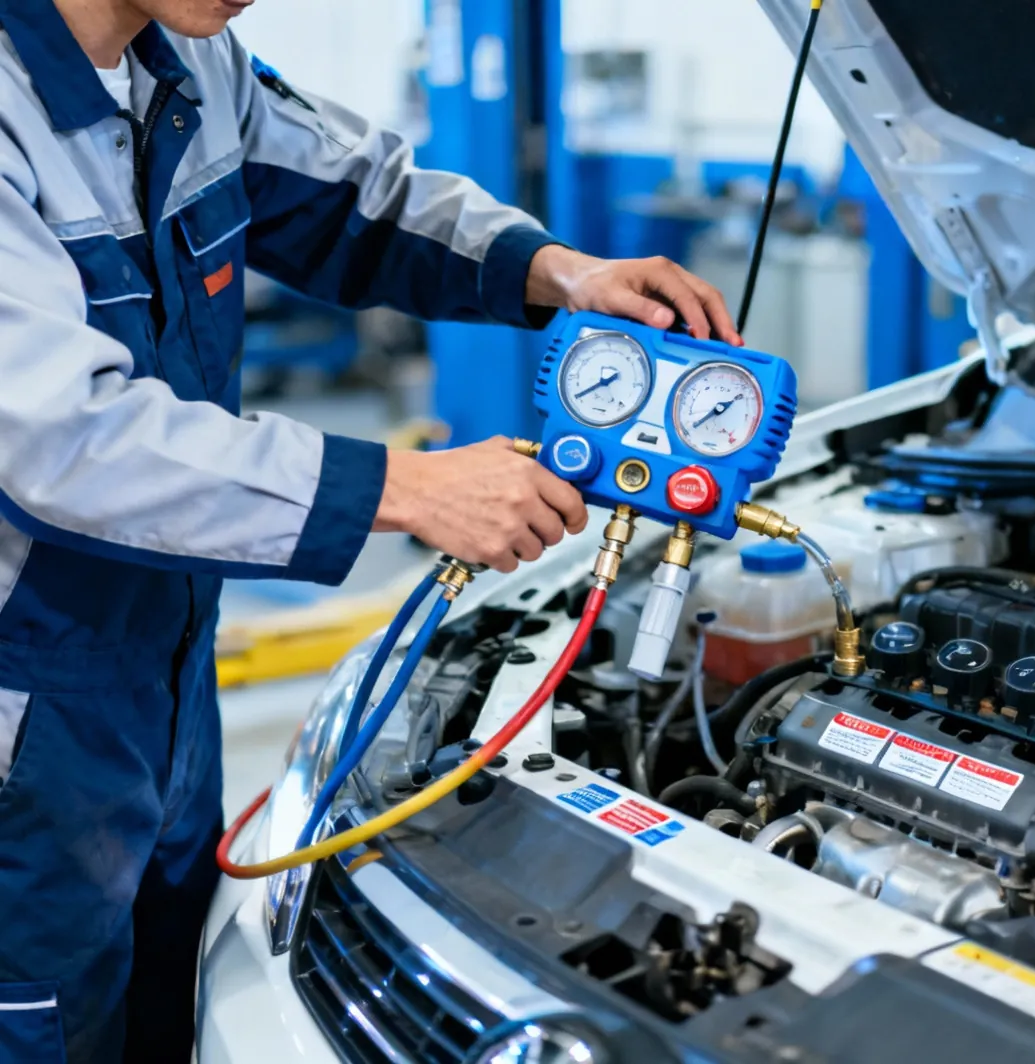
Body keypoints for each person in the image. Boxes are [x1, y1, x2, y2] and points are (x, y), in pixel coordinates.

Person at [0, 0, 742, 1059]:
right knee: (42, 1025)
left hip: (163, 676)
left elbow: (359, 198)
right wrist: (401, 489)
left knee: (166, 1000)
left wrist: (560, 272)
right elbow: (62, 440)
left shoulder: (197, 69)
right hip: (25, 720)